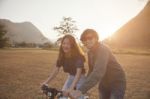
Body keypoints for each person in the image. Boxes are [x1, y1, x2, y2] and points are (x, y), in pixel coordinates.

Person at [70, 29, 126, 99]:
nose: (87, 40)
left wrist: (80, 90)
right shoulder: (90, 52)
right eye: (84, 39)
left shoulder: (102, 49)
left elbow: (98, 72)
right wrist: (82, 85)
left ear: (96, 38)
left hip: (116, 82)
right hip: (104, 83)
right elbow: (91, 70)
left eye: (90, 38)